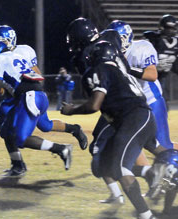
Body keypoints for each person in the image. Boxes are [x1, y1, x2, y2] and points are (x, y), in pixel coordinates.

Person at [61, 39, 159, 218]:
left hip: (133, 119)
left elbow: (94, 105)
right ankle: (156, 173)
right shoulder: (117, 71)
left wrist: (71, 110)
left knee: (120, 168)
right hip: (137, 119)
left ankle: (147, 215)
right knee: (102, 165)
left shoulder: (102, 69)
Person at [97, 20, 178, 204]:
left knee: (163, 146)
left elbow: (152, 74)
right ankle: (153, 179)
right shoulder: (112, 53)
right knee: (133, 142)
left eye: (115, 38)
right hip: (131, 106)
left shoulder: (142, 47)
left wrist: (127, 69)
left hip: (151, 102)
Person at [0, 40, 86, 178]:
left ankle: (61, 149)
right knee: (38, 126)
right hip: (38, 95)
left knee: (21, 139)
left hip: (29, 97)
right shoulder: (17, 56)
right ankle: (73, 129)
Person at [0, 25, 87, 151]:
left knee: (40, 127)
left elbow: (37, 73)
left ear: (11, 40)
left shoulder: (24, 50)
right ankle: (17, 165)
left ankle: (74, 130)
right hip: (13, 95)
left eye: (1, 41)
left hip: (25, 93)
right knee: (10, 129)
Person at [143, 14, 178, 109]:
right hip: (146, 76)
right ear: (162, 27)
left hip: (162, 77)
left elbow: (175, 63)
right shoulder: (153, 39)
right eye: (169, 28)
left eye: (173, 28)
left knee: (162, 102)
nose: (171, 31)